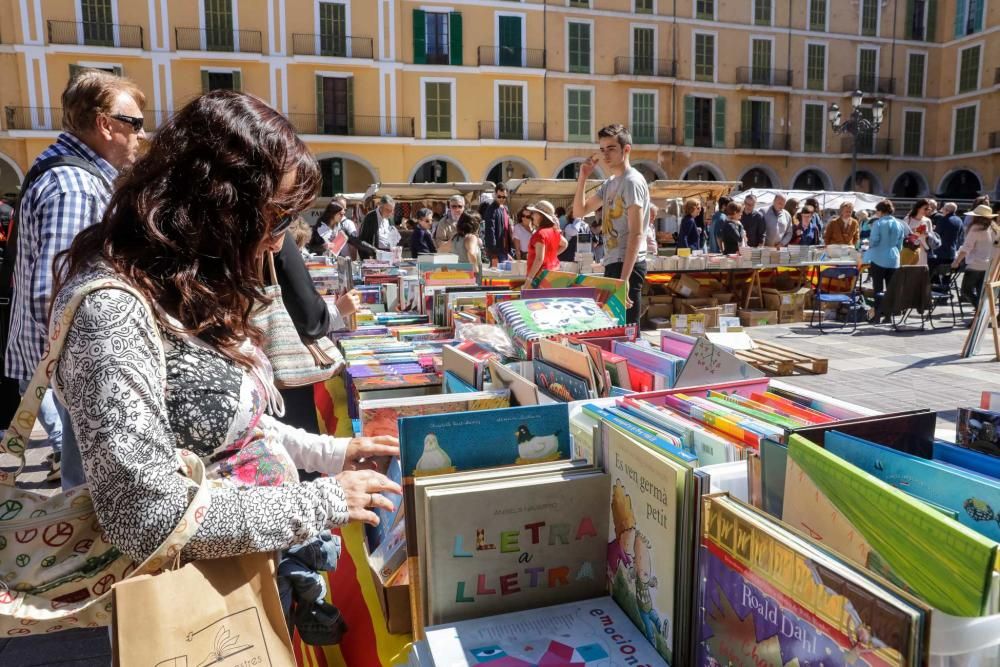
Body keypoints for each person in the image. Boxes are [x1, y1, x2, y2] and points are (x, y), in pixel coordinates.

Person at [49, 89, 401, 622]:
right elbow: (143, 513)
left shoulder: (184, 288)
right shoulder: (112, 312)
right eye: (276, 220)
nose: (278, 243)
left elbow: (231, 425)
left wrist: (334, 453)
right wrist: (323, 500)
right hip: (191, 608)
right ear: (217, 208)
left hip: (240, 579)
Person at [6, 69, 146, 487]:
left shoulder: (61, 170)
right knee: (89, 486)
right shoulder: (76, 188)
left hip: (66, 364)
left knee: (82, 477)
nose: (141, 134)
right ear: (106, 124)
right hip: (78, 365)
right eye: (135, 123)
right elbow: (53, 291)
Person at [572, 124, 650, 325]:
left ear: (626, 149)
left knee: (627, 331)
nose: (605, 155)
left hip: (627, 265)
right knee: (616, 328)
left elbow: (636, 233)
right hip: (614, 262)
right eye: (603, 149)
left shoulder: (632, 181)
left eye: (612, 149)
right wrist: (583, 176)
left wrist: (623, 281)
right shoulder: (610, 183)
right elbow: (579, 211)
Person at [866, 199, 907, 315]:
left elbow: (874, 241)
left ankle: (878, 314)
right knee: (891, 289)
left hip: (879, 258)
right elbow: (900, 245)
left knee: (878, 288)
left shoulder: (877, 223)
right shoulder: (899, 224)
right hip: (894, 258)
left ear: (880, 211)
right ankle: (889, 314)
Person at [953, 205, 999, 305]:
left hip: (975, 264)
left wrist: (957, 261)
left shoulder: (976, 228)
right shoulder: (994, 227)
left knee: (966, 291)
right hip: (988, 264)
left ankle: (979, 310)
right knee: (980, 292)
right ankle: (980, 315)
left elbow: (967, 247)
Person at [524, 200, 568, 285]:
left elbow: (539, 259)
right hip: (553, 275)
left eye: (534, 213)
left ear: (540, 215)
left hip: (539, 278)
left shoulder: (540, 234)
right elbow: (565, 244)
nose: (532, 215)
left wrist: (528, 280)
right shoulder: (554, 231)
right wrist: (550, 256)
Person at [930, 202, 964, 283]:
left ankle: (936, 287)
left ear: (947, 211)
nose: (942, 211)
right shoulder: (959, 220)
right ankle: (945, 288)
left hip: (940, 253)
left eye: (943, 210)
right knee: (947, 274)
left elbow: (936, 235)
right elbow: (960, 236)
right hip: (952, 252)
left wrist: (932, 230)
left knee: (933, 271)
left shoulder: (943, 220)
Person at [483, 183, 513, 264]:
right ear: (495, 194)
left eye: (504, 197)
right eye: (499, 196)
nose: (501, 199)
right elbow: (490, 232)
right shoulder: (491, 209)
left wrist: (508, 252)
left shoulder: (505, 209)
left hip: (505, 251)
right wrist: (493, 254)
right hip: (496, 251)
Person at [903, 198, 935, 267]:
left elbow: (931, 235)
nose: (927, 211)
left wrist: (926, 234)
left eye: (928, 209)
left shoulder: (927, 220)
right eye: (925, 208)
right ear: (918, 208)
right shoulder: (907, 219)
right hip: (910, 249)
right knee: (909, 271)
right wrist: (913, 232)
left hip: (922, 250)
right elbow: (903, 234)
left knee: (920, 272)